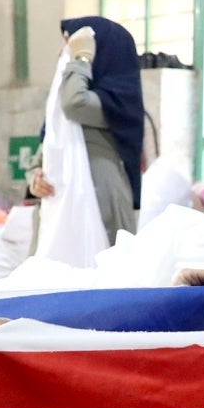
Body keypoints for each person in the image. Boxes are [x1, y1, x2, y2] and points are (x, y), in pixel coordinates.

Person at [50, 15, 145, 246]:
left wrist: (81, 59)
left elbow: (75, 104)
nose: (62, 52)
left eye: (69, 43)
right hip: (62, 203)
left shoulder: (117, 103)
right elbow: (49, 139)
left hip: (100, 203)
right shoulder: (66, 96)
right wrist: (36, 176)